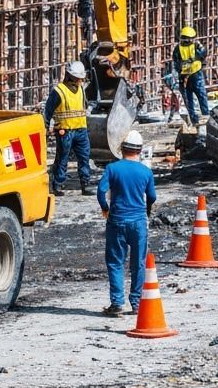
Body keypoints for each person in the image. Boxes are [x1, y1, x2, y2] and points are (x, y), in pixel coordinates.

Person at [97, 129, 156, 316]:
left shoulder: (112, 169)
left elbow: (100, 191)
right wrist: (146, 210)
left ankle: (117, 303)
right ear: (139, 150)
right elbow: (152, 196)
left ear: (122, 148)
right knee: (138, 263)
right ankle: (136, 303)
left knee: (115, 262)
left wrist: (105, 208)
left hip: (117, 220)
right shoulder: (146, 172)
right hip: (138, 223)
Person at [44, 60, 92, 196]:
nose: (79, 80)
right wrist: (46, 126)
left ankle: (85, 184)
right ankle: (58, 184)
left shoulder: (81, 89)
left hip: (81, 129)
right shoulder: (59, 91)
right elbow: (48, 110)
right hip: (65, 131)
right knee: (62, 158)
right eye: (77, 78)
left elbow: (85, 106)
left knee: (84, 158)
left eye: (80, 78)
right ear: (70, 76)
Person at [173, 25, 208, 129]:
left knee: (193, 98)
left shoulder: (181, 47)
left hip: (191, 74)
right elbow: (203, 55)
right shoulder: (190, 46)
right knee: (197, 97)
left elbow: (176, 62)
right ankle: (199, 119)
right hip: (191, 75)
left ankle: (201, 117)